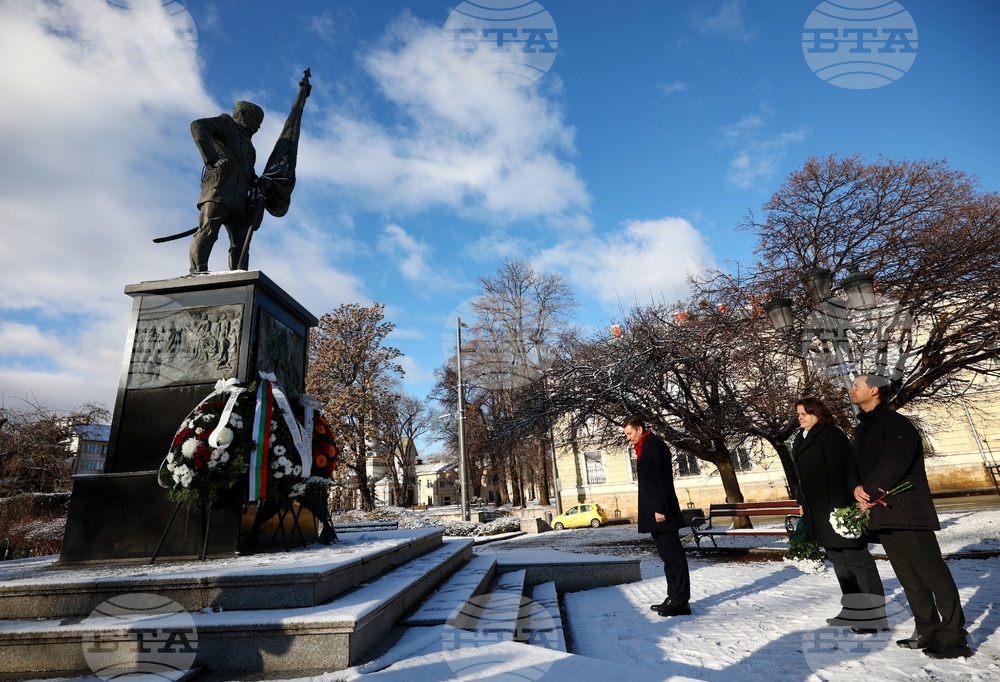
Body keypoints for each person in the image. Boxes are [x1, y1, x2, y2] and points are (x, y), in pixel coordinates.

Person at [847, 374, 972, 659]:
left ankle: (954, 637)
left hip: (908, 512)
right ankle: (926, 630)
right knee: (909, 577)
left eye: (857, 386)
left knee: (933, 576)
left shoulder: (896, 424)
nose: (852, 390)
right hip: (882, 514)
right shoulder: (862, 429)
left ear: (874, 390)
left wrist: (868, 491)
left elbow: (895, 464)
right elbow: (853, 464)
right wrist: (855, 487)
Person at [792, 397, 887, 634]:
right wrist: (802, 503)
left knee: (857, 561)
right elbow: (802, 478)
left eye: (805, 413)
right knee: (839, 562)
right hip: (818, 512)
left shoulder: (830, 434)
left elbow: (842, 471)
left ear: (817, 413)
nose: (800, 417)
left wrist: (844, 510)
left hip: (838, 509)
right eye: (798, 414)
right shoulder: (800, 438)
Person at [624, 415, 691, 617]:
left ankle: (681, 601)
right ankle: (673, 597)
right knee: (667, 557)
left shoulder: (656, 445)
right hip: (655, 512)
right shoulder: (646, 446)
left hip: (663, 513)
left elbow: (663, 479)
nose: (628, 438)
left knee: (675, 557)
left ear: (639, 429)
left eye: (629, 433)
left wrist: (661, 508)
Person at [188, 100, 265, 274]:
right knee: (208, 231)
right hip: (219, 191)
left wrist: (257, 181)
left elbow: (248, 172)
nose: (258, 126)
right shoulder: (227, 124)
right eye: (255, 119)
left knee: (242, 241)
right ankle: (198, 272)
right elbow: (198, 126)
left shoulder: (250, 148)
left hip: (239, 200)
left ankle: (240, 276)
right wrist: (212, 159)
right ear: (242, 114)